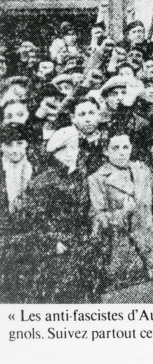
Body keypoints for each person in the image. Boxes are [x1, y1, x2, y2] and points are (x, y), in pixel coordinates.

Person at [2, 126, 100, 303]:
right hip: (55, 251)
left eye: (74, 147)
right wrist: (51, 241)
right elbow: (30, 219)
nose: (70, 154)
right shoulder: (43, 181)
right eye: (63, 150)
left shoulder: (83, 177)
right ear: (54, 153)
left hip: (81, 247)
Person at [88, 131, 153, 303]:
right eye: (115, 148)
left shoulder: (141, 171)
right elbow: (97, 218)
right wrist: (122, 212)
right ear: (106, 151)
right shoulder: (97, 179)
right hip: (119, 249)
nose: (122, 152)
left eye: (126, 147)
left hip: (148, 246)